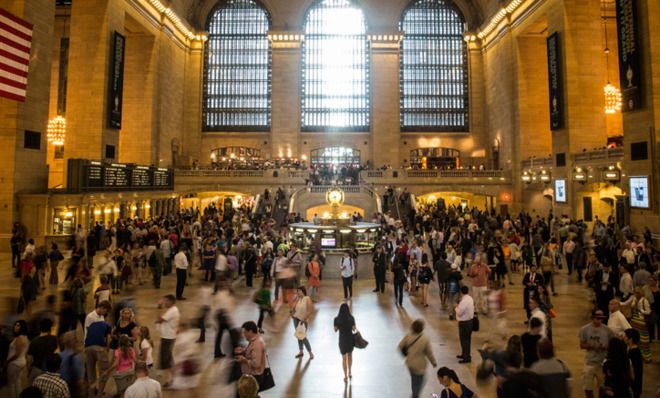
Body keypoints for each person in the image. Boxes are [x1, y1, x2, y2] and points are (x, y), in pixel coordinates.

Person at [578, 309, 614, 398]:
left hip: (602, 363)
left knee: (603, 387)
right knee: (587, 387)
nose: (600, 320)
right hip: (589, 362)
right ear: (593, 318)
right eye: (598, 318)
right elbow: (582, 345)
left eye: (601, 318)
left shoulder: (608, 330)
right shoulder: (584, 329)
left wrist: (605, 346)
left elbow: (613, 345)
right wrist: (590, 345)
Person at [398, 319, 437, 398]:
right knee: (421, 381)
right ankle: (415, 396)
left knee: (414, 380)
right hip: (420, 364)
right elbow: (429, 352)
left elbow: (400, 346)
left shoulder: (408, 336)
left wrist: (406, 354)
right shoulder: (425, 339)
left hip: (410, 363)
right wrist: (433, 362)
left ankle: (414, 394)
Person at [83, 301, 112, 393]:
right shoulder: (90, 317)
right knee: (91, 369)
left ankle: (100, 388)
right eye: (105, 311)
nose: (105, 313)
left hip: (100, 344)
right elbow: (89, 331)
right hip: (91, 344)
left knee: (101, 369)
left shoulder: (101, 317)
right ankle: (93, 389)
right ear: (102, 307)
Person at [621, 287, 652, 362]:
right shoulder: (634, 298)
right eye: (635, 292)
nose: (637, 294)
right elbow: (625, 303)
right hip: (634, 321)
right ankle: (638, 355)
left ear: (641, 293)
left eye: (638, 293)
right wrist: (618, 303)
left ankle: (647, 357)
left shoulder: (645, 301)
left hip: (642, 322)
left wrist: (640, 310)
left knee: (644, 340)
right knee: (636, 339)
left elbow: (649, 311)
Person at [155, 294, 179, 386]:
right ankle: (171, 378)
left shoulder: (172, 311)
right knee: (167, 359)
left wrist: (159, 307)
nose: (164, 302)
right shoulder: (172, 310)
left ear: (171, 301)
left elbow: (159, 319)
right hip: (167, 336)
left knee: (167, 360)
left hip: (168, 337)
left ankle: (171, 379)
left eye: (166, 301)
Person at [27, 318, 59, 383]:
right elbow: (56, 353)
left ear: (40, 328)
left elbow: (29, 358)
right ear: (50, 328)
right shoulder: (54, 339)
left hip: (37, 369)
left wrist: (29, 371)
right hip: (49, 370)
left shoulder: (34, 341)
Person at [237, 322, 266, 388]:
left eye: (245, 332)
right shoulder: (254, 341)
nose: (244, 335)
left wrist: (245, 360)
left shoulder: (257, 344)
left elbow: (256, 364)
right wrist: (244, 351)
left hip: (254, 377)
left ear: (250, 331)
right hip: (251, 375)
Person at [333, 303, 356, 382]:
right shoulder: (351, 318)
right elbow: (354, 329)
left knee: (344, 358)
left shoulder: (336, 319)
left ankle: (345, 376)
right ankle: (350, 372)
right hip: (350, 340)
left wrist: (339, 326)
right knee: (350, 356)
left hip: (342, 340)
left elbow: (335, 330)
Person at [7, 320, 29, 398]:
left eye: (18, 325)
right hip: (22, 362)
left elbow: (17, 354)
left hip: (14, 363)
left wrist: (7, 361)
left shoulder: (20, 338)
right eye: (15, 325)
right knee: (17, 382)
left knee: (11, 384)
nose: (15, 327)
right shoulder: (26, 337)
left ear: (22, 327)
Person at [292, 286, 314, 359]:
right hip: (296, 319)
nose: (298, 292)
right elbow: (293, 309)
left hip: (303, 320)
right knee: (299, 336)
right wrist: (292, 313)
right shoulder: (298, 299)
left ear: (303, 291)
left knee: (303, 336)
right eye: (297, 291)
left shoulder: (307, 298)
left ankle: (310, 352)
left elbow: (310, 310)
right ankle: (301, 351)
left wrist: (304, 319)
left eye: (299, 291)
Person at [58, 331, 84, 398]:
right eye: (75, 340)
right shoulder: (76, 357)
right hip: (71, 391)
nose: (77, 343)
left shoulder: (58, 356)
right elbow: (79, 381)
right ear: (71, 343)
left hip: (60, 390)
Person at [455, 286, 474, 363]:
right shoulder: (470, 298)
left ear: (461, 292)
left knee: (464, 340)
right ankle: (465, 354)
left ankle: (466, 357)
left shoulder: (464, 301)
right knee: (467, 340)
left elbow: (459, 312)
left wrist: (456, 307)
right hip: (469, 322)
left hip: (464, 322)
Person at [623, 328, 643, 398]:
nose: (624, 337)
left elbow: (633, 371)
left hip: (634, 385)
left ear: (630, 339)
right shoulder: (632, 350)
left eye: (625, 336)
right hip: (635, 385)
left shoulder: (634, 353)